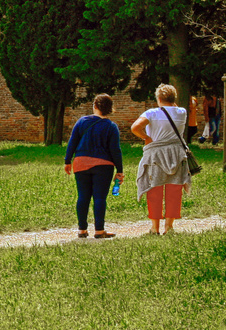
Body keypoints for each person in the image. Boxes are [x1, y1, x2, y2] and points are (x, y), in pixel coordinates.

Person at [131, 85, 194, 234]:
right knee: (174, 189)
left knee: (154, 190)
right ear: (174, 99)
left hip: (156, 156)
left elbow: (135, 127)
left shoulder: (151, 113)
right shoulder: (182, 112)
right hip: (176, 154)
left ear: (158, 99)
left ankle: (154, 228)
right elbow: (175, 108)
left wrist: (146, 137)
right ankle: (169, 227)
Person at [64, 94, 124, 239]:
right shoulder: (111, 127)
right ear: (110, 109)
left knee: (83, 196)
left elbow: (72, 142)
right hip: (103, 165)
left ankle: (82, 230)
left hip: (81, 163)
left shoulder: (82, 121)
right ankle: (99, 230)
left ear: (95, 106)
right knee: (99, 197)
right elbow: (115, 150)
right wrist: (120, 170)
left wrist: (67, 161)